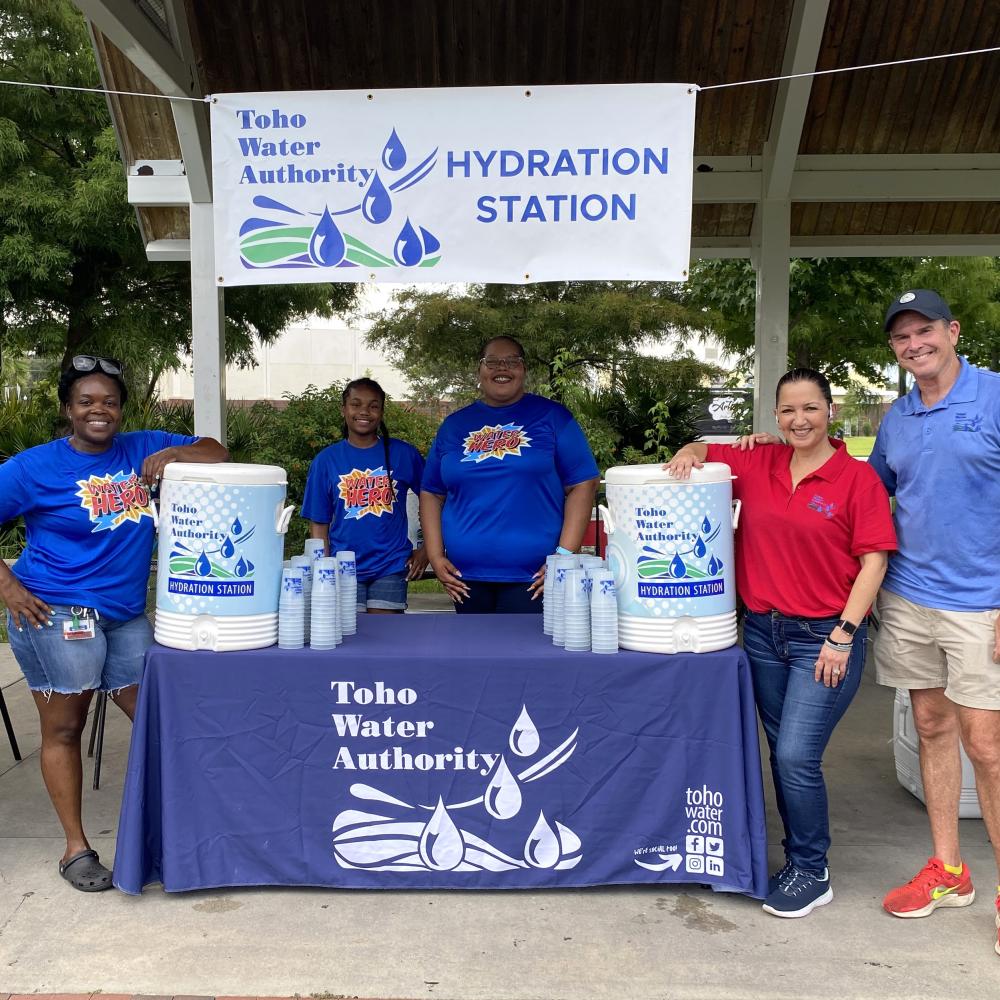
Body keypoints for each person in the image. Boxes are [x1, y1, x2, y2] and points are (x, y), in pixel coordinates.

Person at [667, 368, 896, 917]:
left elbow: (875, 562)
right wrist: (689, 451)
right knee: (782, 751)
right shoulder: (759, 461)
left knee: (795, 754)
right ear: (775, 417)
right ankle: (796, 859)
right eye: (789, 410)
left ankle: (811, 868)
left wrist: (843, 635)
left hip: (824, 636)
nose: (800, 420)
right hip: (763, 634)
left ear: (830, 412)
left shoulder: (855, 480)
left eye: (811, 408)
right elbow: (703, 449)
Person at [0, 356, 228, 892]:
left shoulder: (142, 447)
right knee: (64, 728)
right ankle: (76, 849)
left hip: (124, 617)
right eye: (86, 402)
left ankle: (182, 830)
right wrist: (8, 586)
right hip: (55, 614)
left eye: (108, 401)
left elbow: (216, 452)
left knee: (160, 714)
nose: (98, 410)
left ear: (122, 410)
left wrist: (175, 452)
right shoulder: (34, 468)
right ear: (68, 409)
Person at [869, 289, 1000, 955]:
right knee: (932, 728)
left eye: (924, 331)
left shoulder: (995, 397)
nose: (914, 344)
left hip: (982, 602)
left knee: (988, 746)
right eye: (901, 338)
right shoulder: (897, 420)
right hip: (910, 596)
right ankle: (950, 871)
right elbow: (867, 495)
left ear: (952, 331)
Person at [420, 336, 599, 613]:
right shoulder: (454, 426)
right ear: (479, 370)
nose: (501, 368)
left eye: (512, 361)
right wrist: (434, 553)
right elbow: (432, 491)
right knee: (473, 654)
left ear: (524, 369)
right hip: (464, 578)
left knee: (527, 655)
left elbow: (583, 483)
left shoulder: (553, 417)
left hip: (534, 578)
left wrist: (563, 556)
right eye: (491, 362)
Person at [301, 377, 427, 613]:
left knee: (383, 640)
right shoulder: (326, 461)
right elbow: (319, 524)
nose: (364, 412)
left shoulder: (403, 454)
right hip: (343, 568)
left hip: (390, 565)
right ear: (343, 409)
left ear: (381, 412)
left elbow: (434, 499)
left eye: (373, 405)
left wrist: (428, 550)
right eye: (356, 404)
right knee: (351, 639)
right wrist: (323, 571)